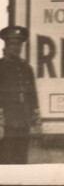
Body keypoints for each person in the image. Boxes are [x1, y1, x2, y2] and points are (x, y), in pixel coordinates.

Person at [0, 25, 41, 164]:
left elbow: (32, 95)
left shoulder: (26, 68)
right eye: (12, 44)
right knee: (5, 159)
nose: (16, 47)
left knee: (21, 159)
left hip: (23, 121)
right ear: (6, 46)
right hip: (6, 123)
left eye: (19, 44)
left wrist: (35, 121)